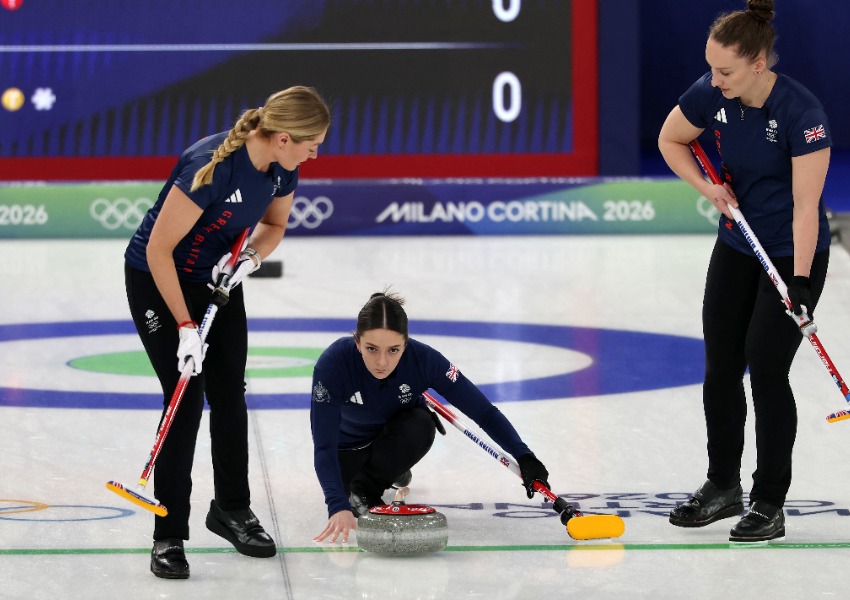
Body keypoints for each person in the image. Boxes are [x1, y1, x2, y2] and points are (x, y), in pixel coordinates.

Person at [124, 85, 330, 578]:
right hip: (158, 282)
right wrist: (185, 327)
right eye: (311, 143)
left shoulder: (283, 169)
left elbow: (274, 225)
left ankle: (232, 510)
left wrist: (249, 260)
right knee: (187, 398)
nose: (315, 153)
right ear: (283, 137)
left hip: (216, 279)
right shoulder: (210, 166)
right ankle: (168, 533)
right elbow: (157, 251)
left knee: (230, 395)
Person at [657, 0, 831, 543]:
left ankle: (769, 500)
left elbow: (806, 208)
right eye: (711, 69)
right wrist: (708, 188)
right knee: (721, 366)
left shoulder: (803, 115)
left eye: (725, 71)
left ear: (758, 62)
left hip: (789, 253)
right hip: (737, 245)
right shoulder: (714, 94)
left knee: (766, 365)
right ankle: (722, 485)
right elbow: (672, 139)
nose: (715, 80)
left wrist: (800, 284)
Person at [310, 291, 551, 544]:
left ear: (406, 343)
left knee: (421, 424)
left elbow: (484, 412)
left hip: (393, 437)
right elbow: (324, 446)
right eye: (371, 349)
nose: (382, 361)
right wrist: (337, 506)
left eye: (394, 350)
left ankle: (378, 478)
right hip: (347, 452)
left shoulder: (424, 361)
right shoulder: (334, 363)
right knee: (347, 483)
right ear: (357, 342)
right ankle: (379, 478)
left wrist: (525, 456)